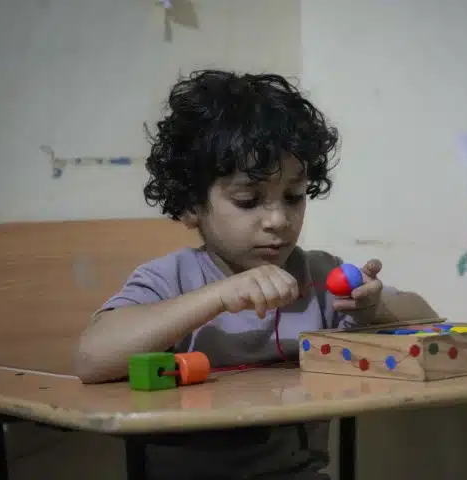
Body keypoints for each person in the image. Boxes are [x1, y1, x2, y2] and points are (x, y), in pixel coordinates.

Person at [74, 69, 438, 479]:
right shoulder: (171, 279)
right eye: (248, 200)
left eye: (294, 197)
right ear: (192, 205)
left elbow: (428, 318)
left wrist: (374, 310)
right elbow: (92, 357)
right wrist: (217, 296)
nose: (278, 220)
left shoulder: (320, 274)